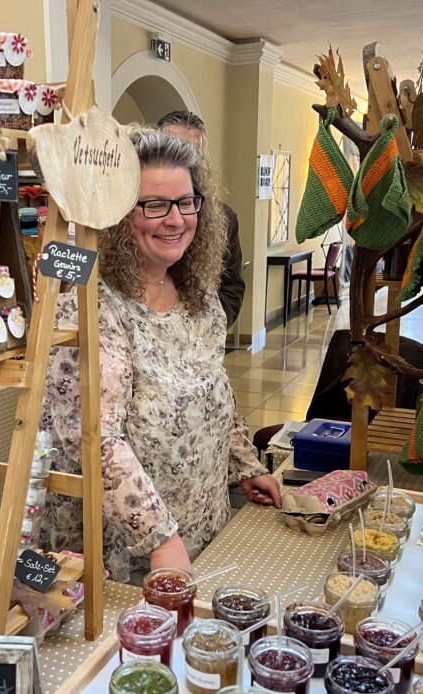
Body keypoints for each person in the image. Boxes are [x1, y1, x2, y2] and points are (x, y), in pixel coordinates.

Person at [38, 128, 281, 583]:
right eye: (154, 205)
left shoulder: (198, 296)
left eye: (186, 202)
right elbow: (95, 440)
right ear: (117, 215)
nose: (175, 220)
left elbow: (214, 392)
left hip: (202, 527)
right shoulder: (90, 306)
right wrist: (159, 538)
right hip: (131, 549)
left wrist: (244, 465)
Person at [157, 110, 246, 327]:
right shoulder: (129, 212)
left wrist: (207, 328)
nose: (181, 163)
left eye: (190, 155)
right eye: (172, 152)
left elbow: (231, 287)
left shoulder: (224, 219)